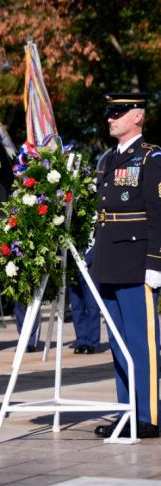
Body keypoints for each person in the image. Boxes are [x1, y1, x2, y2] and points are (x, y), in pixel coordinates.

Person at [92, 92, 161, 439]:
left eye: (118, 113)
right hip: (109, 263)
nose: (110, 118)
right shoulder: (107, 158)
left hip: (137, 264)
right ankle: (126, 412)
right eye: (109, 113)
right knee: (119, 343)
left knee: (142, 342)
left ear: (137, 116)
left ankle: (148, 416)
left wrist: (156, 262)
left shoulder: (151, 158)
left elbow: (158, 214)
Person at [69, 248, 100, 354]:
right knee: (76, 306)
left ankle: (92, 342)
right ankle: (81, 341)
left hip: (90, 267)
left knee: (92, 306)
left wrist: (87, 259)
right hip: (73, 267)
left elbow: (97, 243)